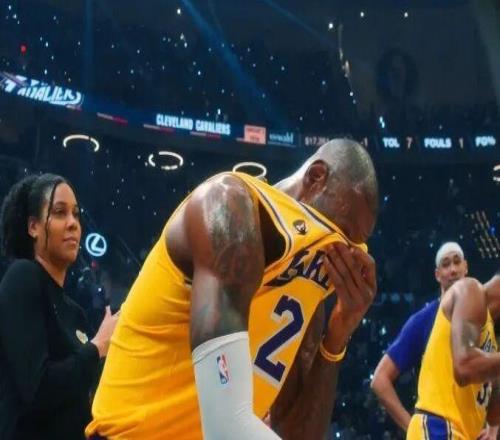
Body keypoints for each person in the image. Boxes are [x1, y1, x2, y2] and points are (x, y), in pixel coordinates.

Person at [86, 138, 379, 439]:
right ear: (316, 178)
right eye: (341, 233)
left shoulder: (307, 292)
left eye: (355, 247)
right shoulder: (227, 206)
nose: (346, 254)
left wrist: (336, 338)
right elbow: (225, 427)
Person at [0, 174, 119, 440]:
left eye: (76, 214)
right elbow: (37, 389)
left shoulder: (75, 312)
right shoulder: (23, 277)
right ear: (33, 226)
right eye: (59, 212)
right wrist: (98, 347)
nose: (73, 223)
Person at [371, 242, 468, 431]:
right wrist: (414, 431)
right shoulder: (422, 321)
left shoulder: (486, 314)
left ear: (466, 267)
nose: (453, 270)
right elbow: (380, 380)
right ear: (437, 275)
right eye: (446, 264)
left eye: (457, 262)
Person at [406, 271, 500, 439]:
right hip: (439, 427)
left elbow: (493, 414)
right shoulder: (470, 290)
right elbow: (464, 367)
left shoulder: (491, 338)